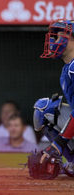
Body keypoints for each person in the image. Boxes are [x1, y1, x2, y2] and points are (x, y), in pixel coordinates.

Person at [37, 20, 74, 174]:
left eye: (59, 37)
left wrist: (58, 143)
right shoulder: (68, 69)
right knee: (44, 109)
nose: (54, 42)